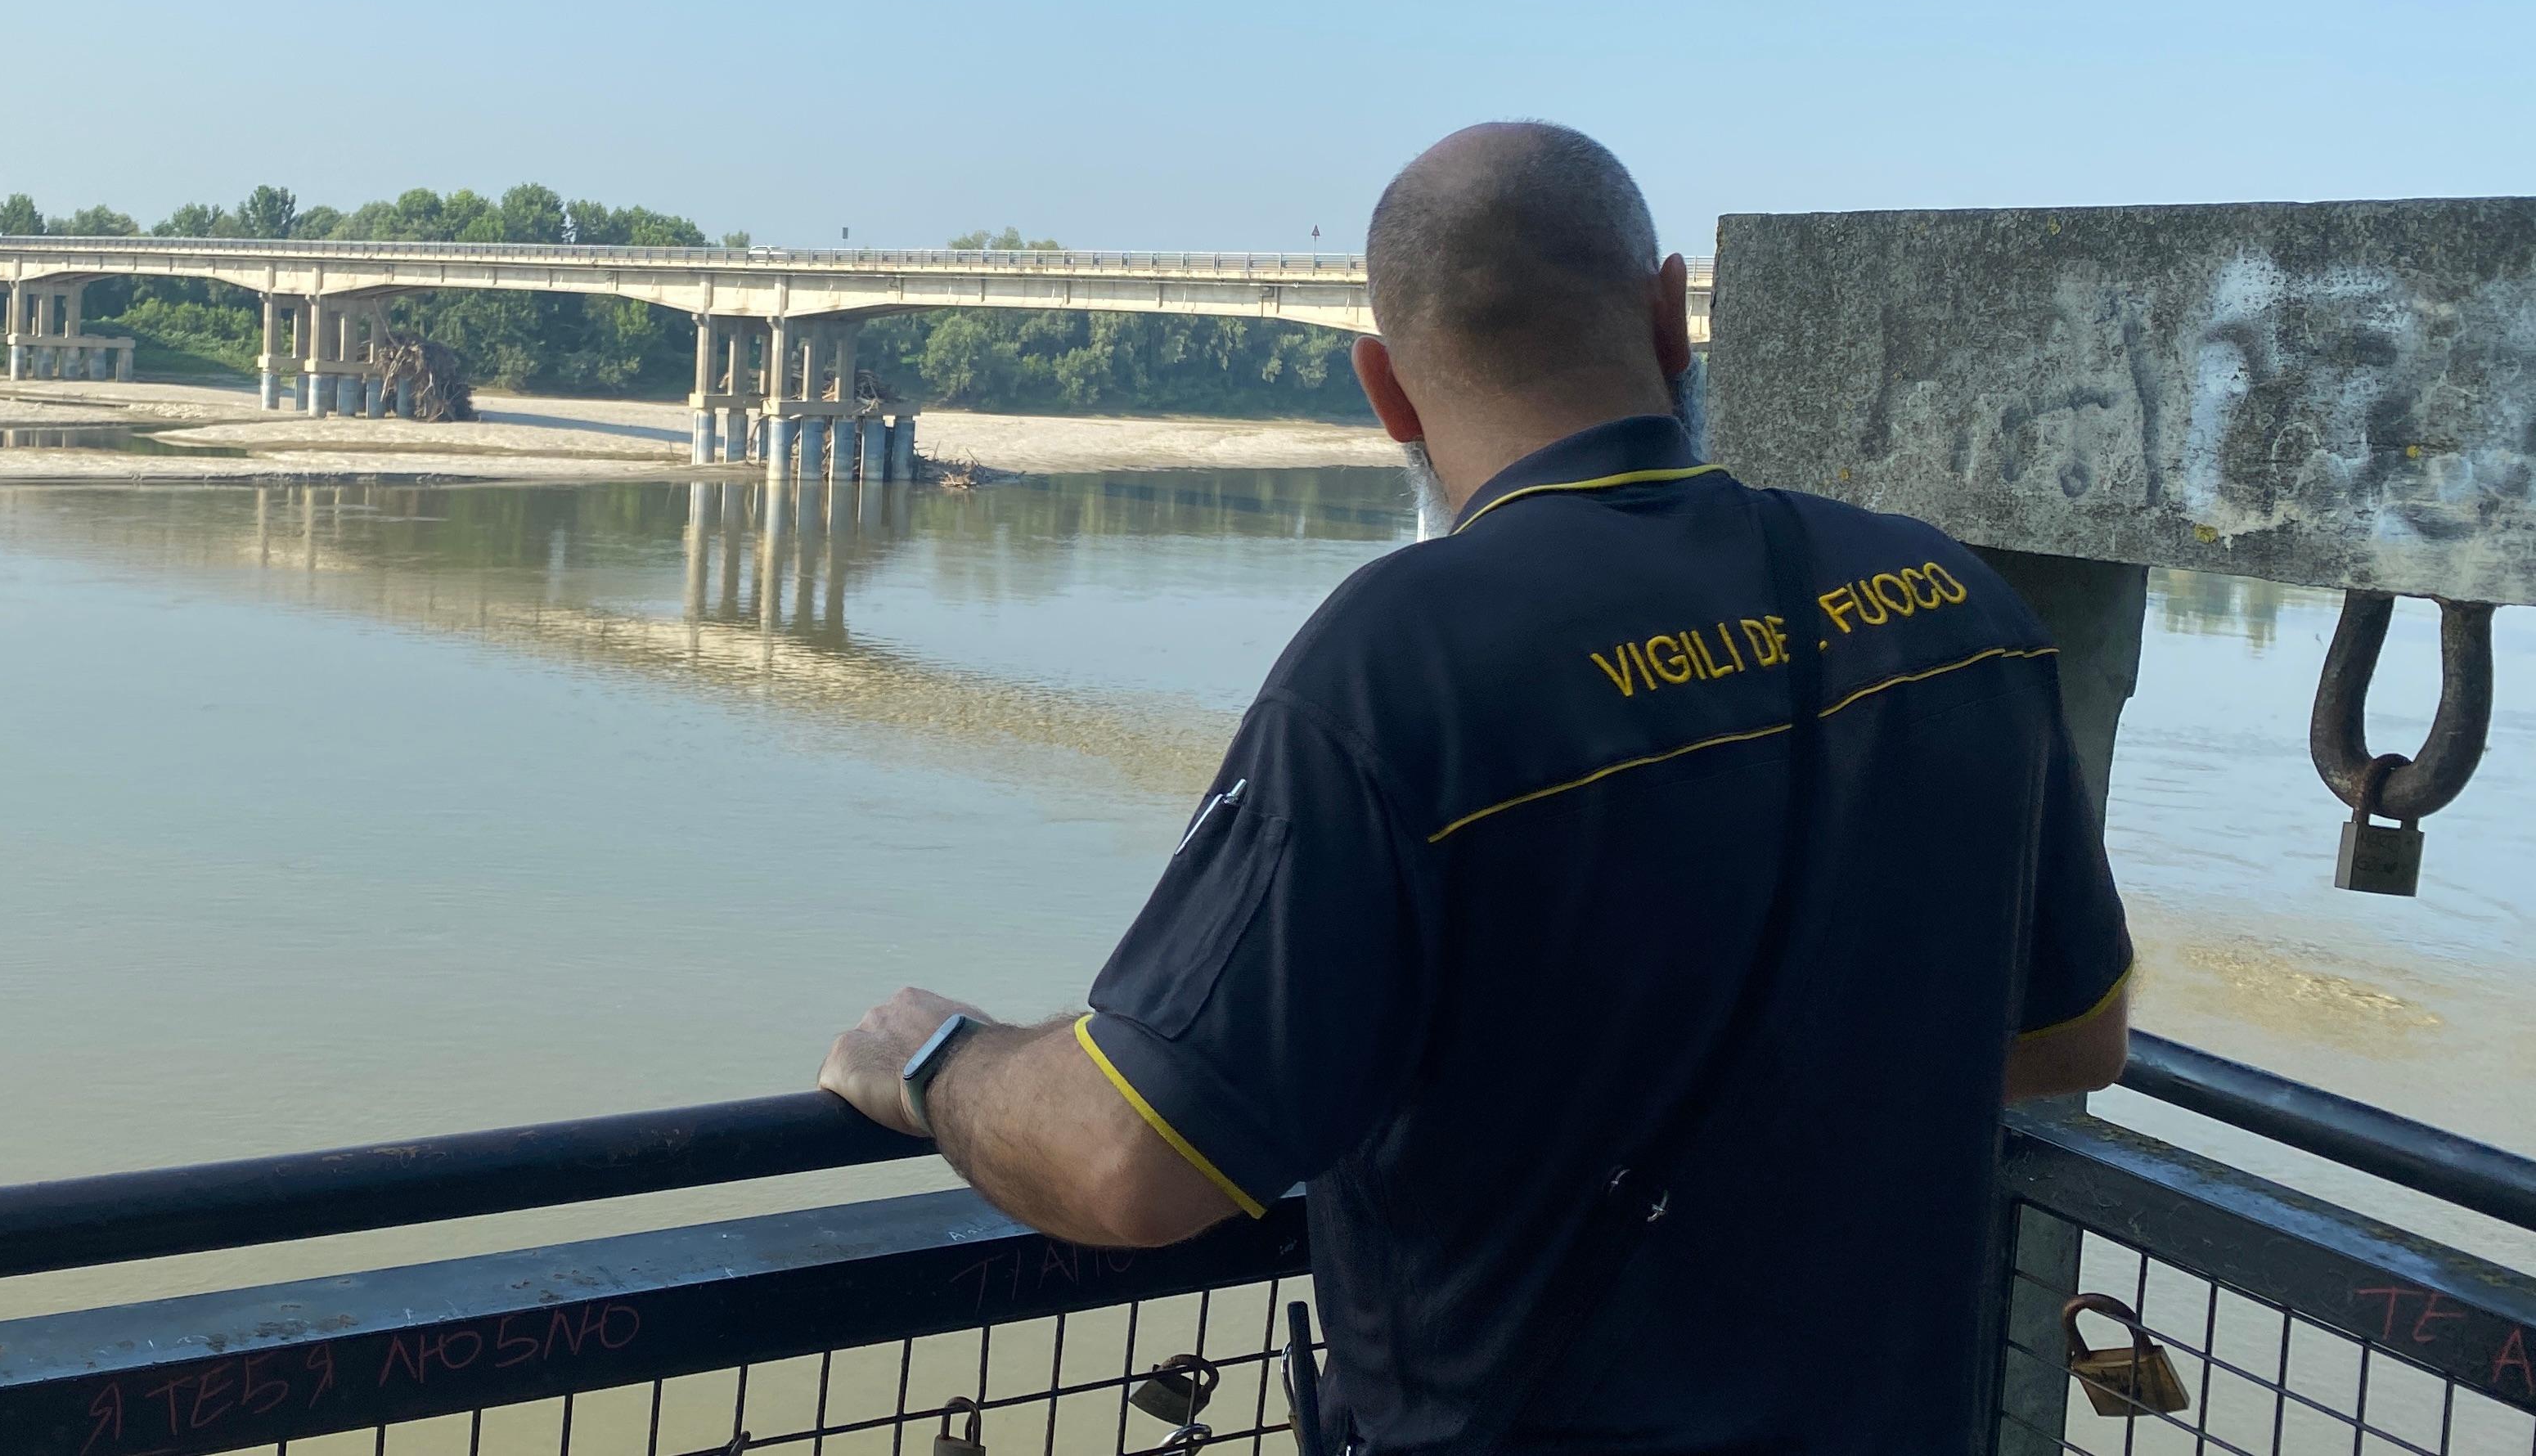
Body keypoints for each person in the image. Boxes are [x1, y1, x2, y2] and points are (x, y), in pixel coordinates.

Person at [817, 122, 2133, 1452]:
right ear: (1672, 316)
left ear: (1386, 391)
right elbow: (2072, 1036)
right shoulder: (1952, 605)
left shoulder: (1404, 663)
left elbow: (1136, 1159)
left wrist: (938, 1060)